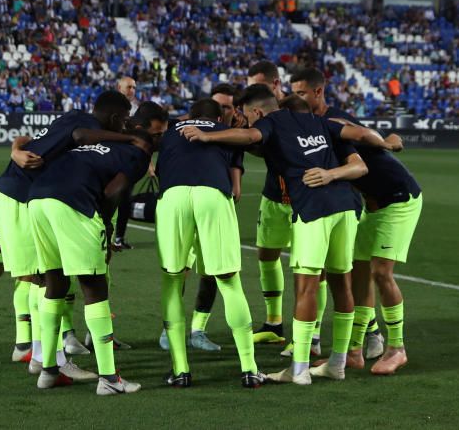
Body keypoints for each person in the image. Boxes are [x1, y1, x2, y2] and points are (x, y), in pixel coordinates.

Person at [0, 90, 136, 370]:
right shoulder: (91, 130)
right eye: (124, 120)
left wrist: (16, 149)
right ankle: (47, 358)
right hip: (19, 196)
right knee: (39, 277)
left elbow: (27, 139)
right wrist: (132, 140)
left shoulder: (73, 117)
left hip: (10, 191)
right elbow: (78, 139)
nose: (125, 125)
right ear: (115, 117)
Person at [182, 86, 375, 385]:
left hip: (314, 207)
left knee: (306, 287)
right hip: (347, 206)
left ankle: (298, 369)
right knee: (341, 282)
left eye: (248, 115)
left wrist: (208, 136)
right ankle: (337, 363)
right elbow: (359, 137)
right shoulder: (319, 122)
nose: (247, 121)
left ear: (257, 111)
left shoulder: (269, 122)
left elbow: (250, 137)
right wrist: (382, 145)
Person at [291, 68, 421, 376]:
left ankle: (396, 348)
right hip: (372, 206)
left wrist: (389, 143)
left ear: (317, 93)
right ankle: (353, 352)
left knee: (380, 272)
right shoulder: (309, 127)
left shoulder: (333, 121)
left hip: (398, 199)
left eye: (300, 94)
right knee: (358, 273)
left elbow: (367, 137)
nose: (296, 99)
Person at [28, 130, 155, 395]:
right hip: (74, 204)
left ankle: (49, 369)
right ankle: (109, 378)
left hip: (37, 199)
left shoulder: (96, 146)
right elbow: (113, 190)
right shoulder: (137, 153)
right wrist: (106, 228)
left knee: (55, 284)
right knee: (95, 288)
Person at [155, 98, 265, 388]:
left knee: (173, 280)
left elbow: (154, 166)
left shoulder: (171, 130)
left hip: (173, 196)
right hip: (214, 196)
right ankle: (249, 369)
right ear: (220, 117)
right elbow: (236, 188)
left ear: (191, 115)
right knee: (229, 282)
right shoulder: (226, 134)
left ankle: (180, 371)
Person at [244, 61, 292, 345]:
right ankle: (274, 323)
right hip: (274, 194)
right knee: (266, 255)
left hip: (303, 198)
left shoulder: (295, 109)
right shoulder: (259, 111)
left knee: (311, 267)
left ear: (274, 84)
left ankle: (310, 335)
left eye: (256, 86)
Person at [111, 101, 168, 250]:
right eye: (157, 135)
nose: (161, 140)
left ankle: (118, 237)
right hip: (76, 205)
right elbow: (107, 193)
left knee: (124, 202)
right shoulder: (132, 155)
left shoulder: (138, 148)